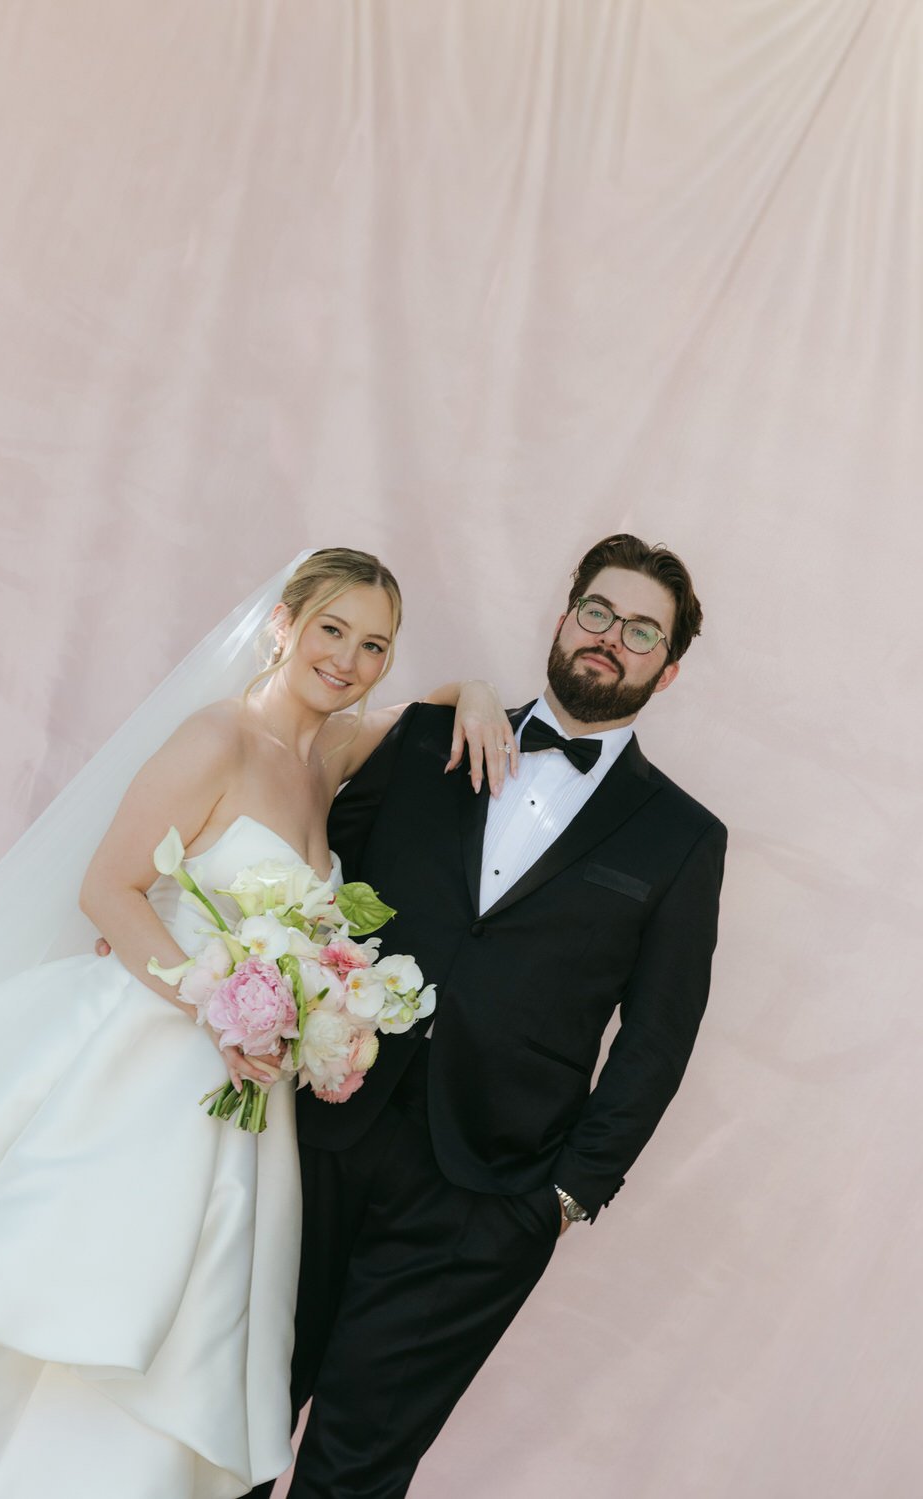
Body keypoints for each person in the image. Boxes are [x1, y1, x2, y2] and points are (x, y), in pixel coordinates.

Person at [0, 547, 514, 1499]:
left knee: (187, 1334)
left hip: (242, 1099)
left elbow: (424, 707)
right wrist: (218, 1006)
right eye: (331, 629)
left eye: (374, 645)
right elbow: (108, 889)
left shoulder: (327, 755)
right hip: (151, 1055)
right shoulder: (217, 738)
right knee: (84, 1295)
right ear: (283, 623)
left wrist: (478, 691)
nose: (348, 660)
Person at [253, 533, 728, 1499]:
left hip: (484, 1197)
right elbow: (309, 877)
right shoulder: (425, 739)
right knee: (234, 1421)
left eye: (642, 631)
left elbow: (658, 1037)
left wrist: (562, 1198)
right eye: (598, 610)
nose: (611, 637)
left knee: (354, 1468)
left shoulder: (684, 838)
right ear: (564, 617)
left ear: (668, 669)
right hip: (320, 1135)